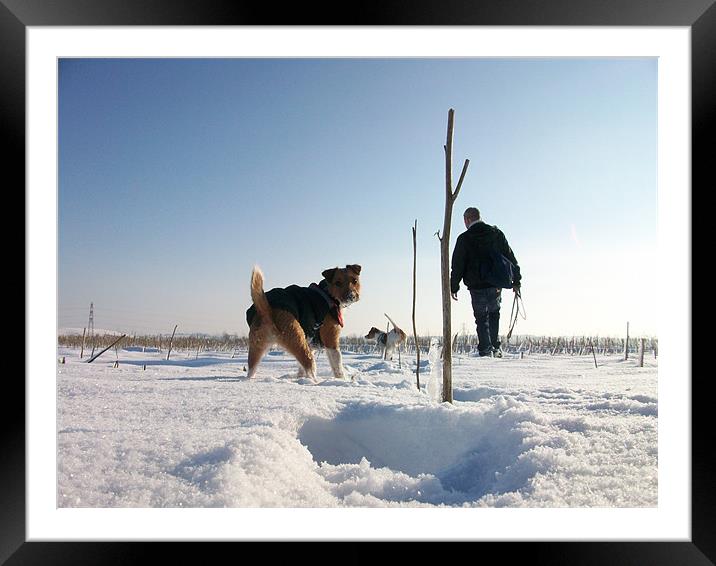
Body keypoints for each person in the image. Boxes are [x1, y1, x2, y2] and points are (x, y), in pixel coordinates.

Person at [450, 207, 521, 357]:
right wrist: (516, 280)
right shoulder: (496, 234)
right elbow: (510, 257)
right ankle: (494, 347)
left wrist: (454, 286)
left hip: (476, 286)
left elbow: (458, 264)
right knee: (494, 313)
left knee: (481, 317)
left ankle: (485, 349)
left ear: (468, 220)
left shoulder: (464, 239)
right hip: (495, 283)